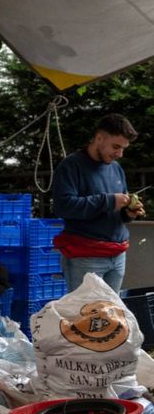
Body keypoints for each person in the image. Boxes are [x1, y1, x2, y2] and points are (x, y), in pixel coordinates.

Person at [52, 113, 146, 293]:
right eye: (116, 147)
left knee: (110, 317)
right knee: (85, 317)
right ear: (99, 138)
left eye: (123, 148)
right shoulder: (71, 165)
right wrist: (109, 200)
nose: (120, 153)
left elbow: (116, 212)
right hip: (84, 255)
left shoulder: (117, 168)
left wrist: (128, 213)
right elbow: (63, 206)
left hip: (118, 254)